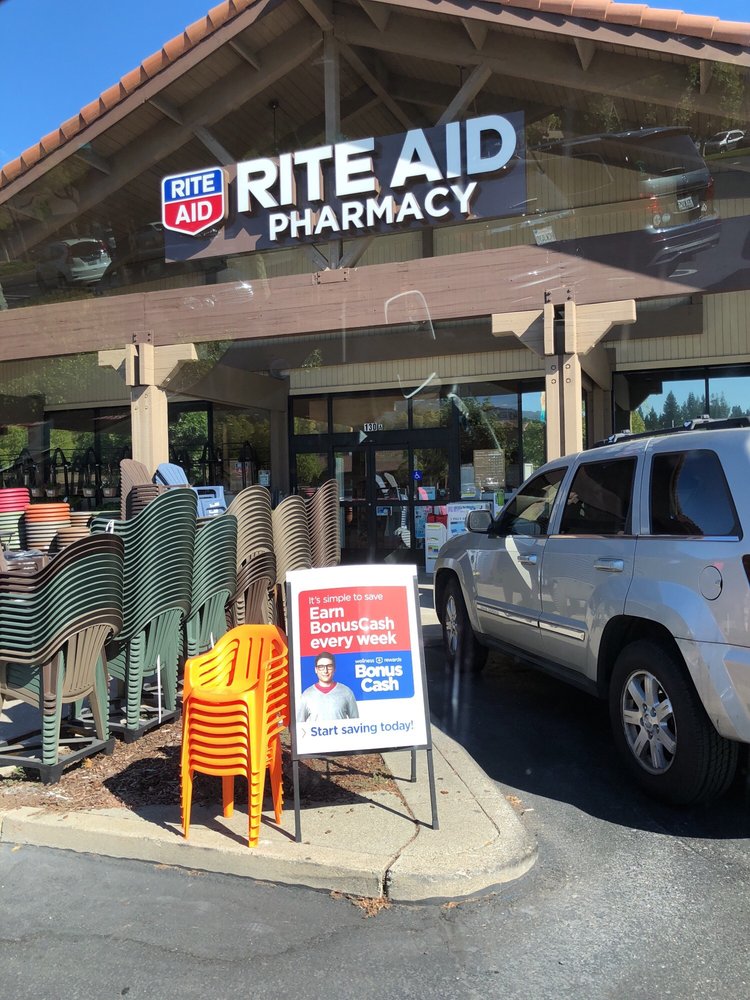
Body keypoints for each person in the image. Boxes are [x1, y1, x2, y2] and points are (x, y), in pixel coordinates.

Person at [296, 653, 359, 722]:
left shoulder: (347, 692)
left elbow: (356, 723)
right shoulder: (307, 695)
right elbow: (299, 724)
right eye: (321, 667)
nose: (325, 671)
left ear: (334, 669)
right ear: (316, 670)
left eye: (329, 666)